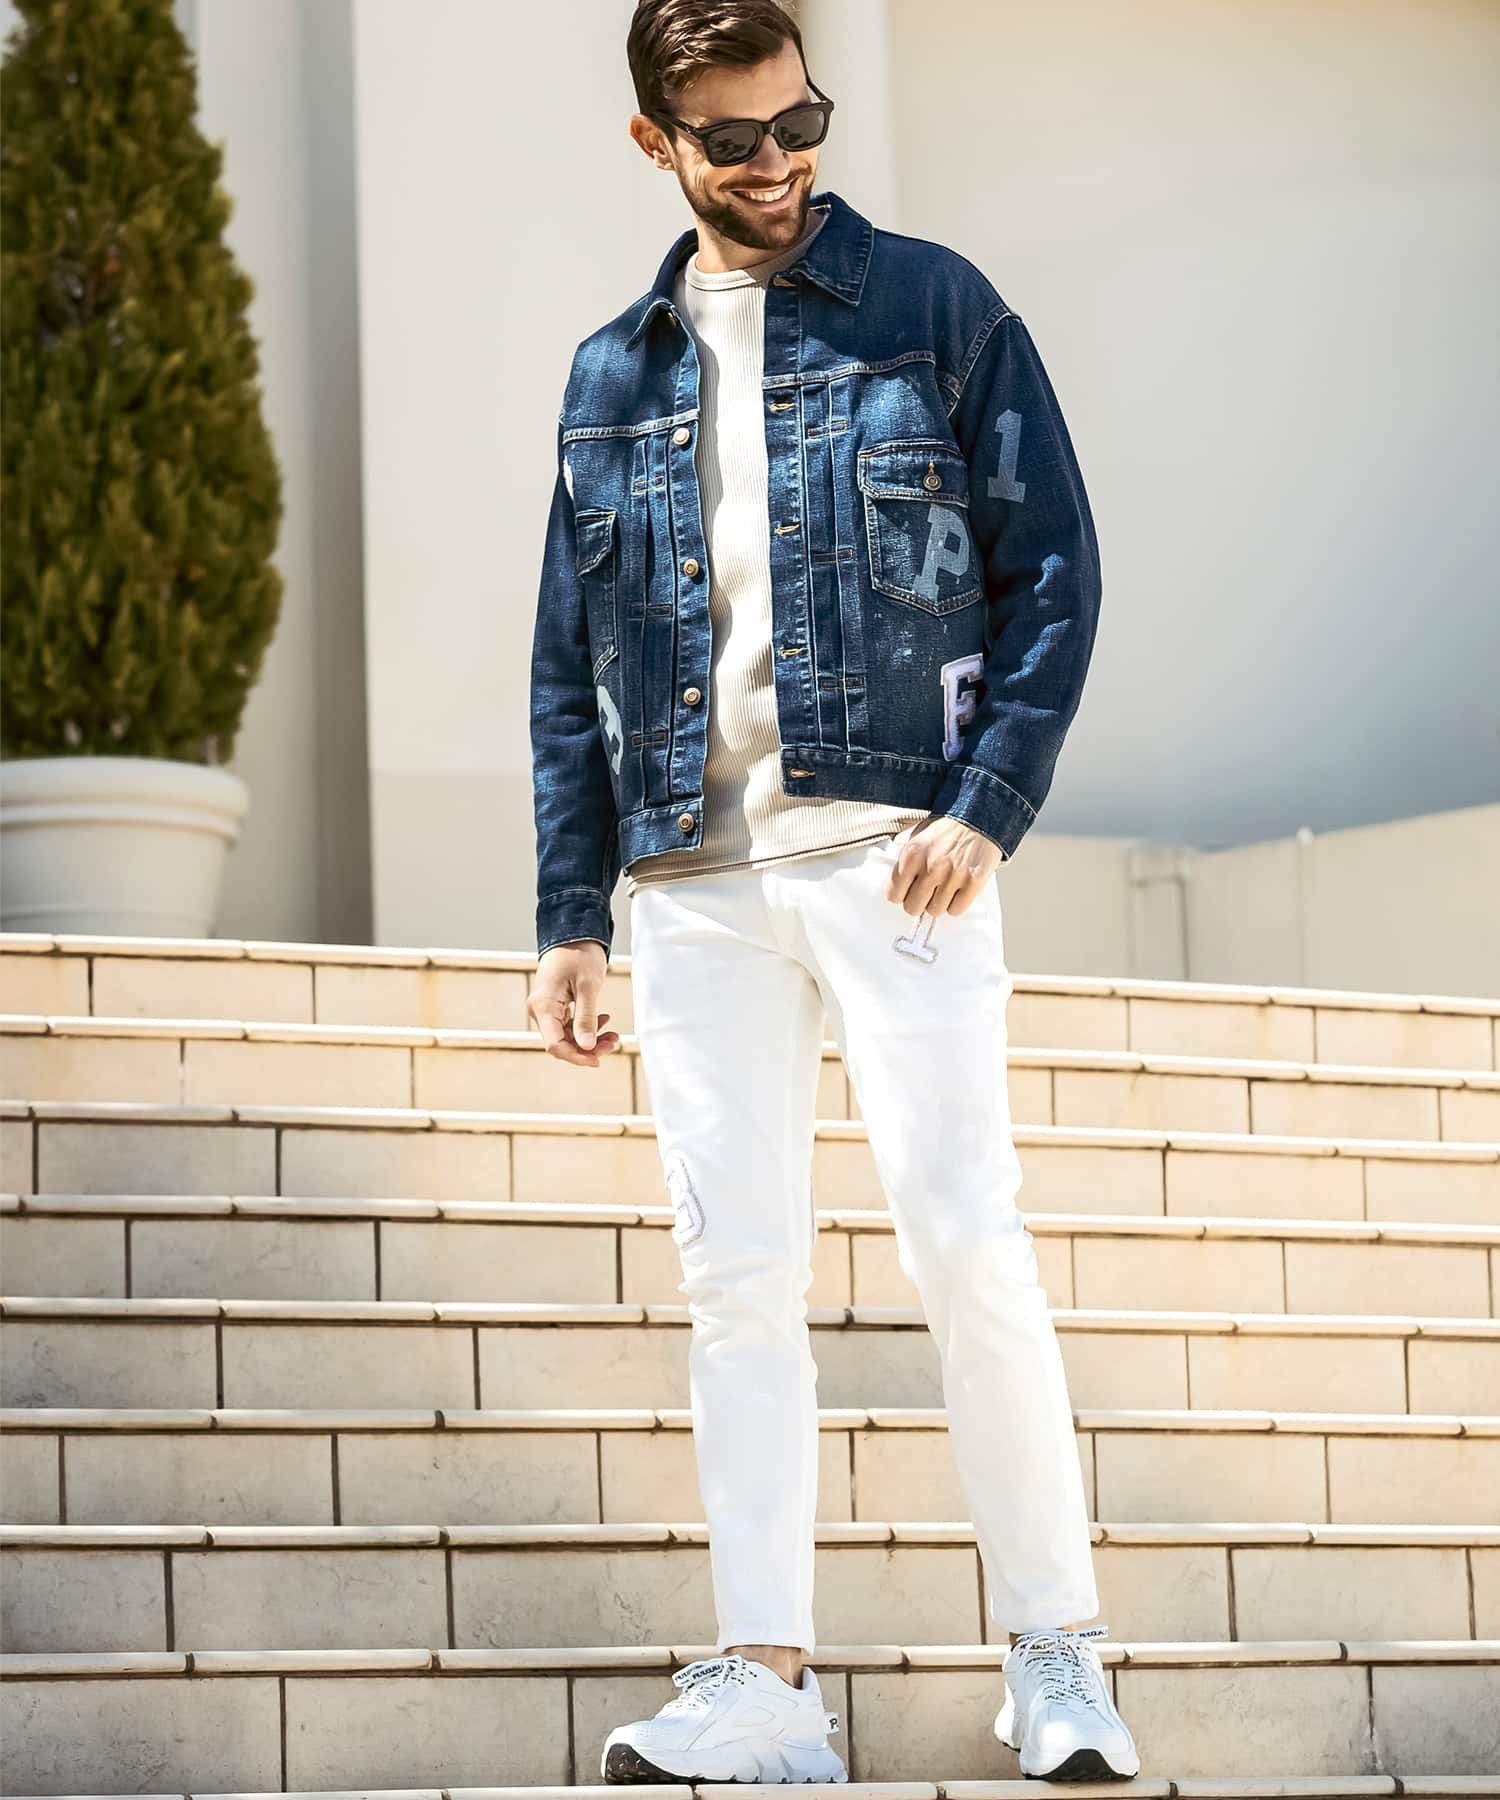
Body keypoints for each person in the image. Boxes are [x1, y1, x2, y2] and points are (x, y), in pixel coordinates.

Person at [526, 0, 1140, 1782]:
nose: (779, 163)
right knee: (737, 1280)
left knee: (963, 1236)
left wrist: (990, 801)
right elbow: (568, 666)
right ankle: (768, 1685)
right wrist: (573, 915)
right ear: (658, 144)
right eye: (734, 140)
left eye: (801, 122)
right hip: (693, 880)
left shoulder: (936, 309)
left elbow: (1055, 569)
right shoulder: (610, 374)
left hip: (897, 856)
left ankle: (1056, 1652)